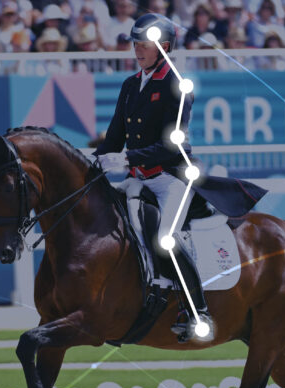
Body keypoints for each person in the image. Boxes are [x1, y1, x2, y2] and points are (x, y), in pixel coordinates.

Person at [92, 13, 214, 342]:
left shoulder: (177, 85)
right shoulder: (130, 85)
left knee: (165, 239)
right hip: (137, 180)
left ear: (165, 47)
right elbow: (114, 138)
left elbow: (173, 144)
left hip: (170, 179)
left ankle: (197, 310)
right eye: (135, 44)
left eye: (144, 44)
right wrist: (90, 162)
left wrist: (127, 157)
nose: (138, 49)